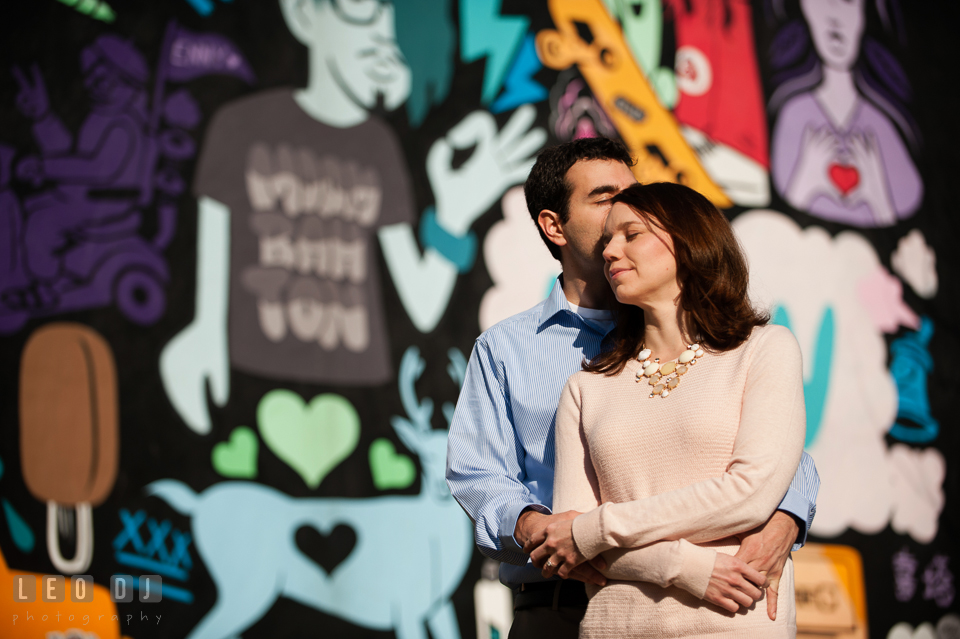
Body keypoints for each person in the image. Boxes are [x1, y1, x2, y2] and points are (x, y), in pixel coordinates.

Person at [446, 137, 819, 639]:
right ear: (554, 225)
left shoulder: (729, 343)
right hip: (561, 602)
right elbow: (477, 473)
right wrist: (542, 529)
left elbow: (775, 459)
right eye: (604, 199)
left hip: (720, 601)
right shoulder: (510, 349)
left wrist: (786, 517)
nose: (625, 210)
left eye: (634, 198)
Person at [530, 181, 805, 637]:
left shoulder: (765, 350)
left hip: (734, 622)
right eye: (605, 242)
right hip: (616, 625)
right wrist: (689, 568)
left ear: (689, 240)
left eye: (631, 234)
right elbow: (576, 548)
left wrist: (598, 527)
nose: (610, 251)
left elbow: (750, 493)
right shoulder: (585, 388)